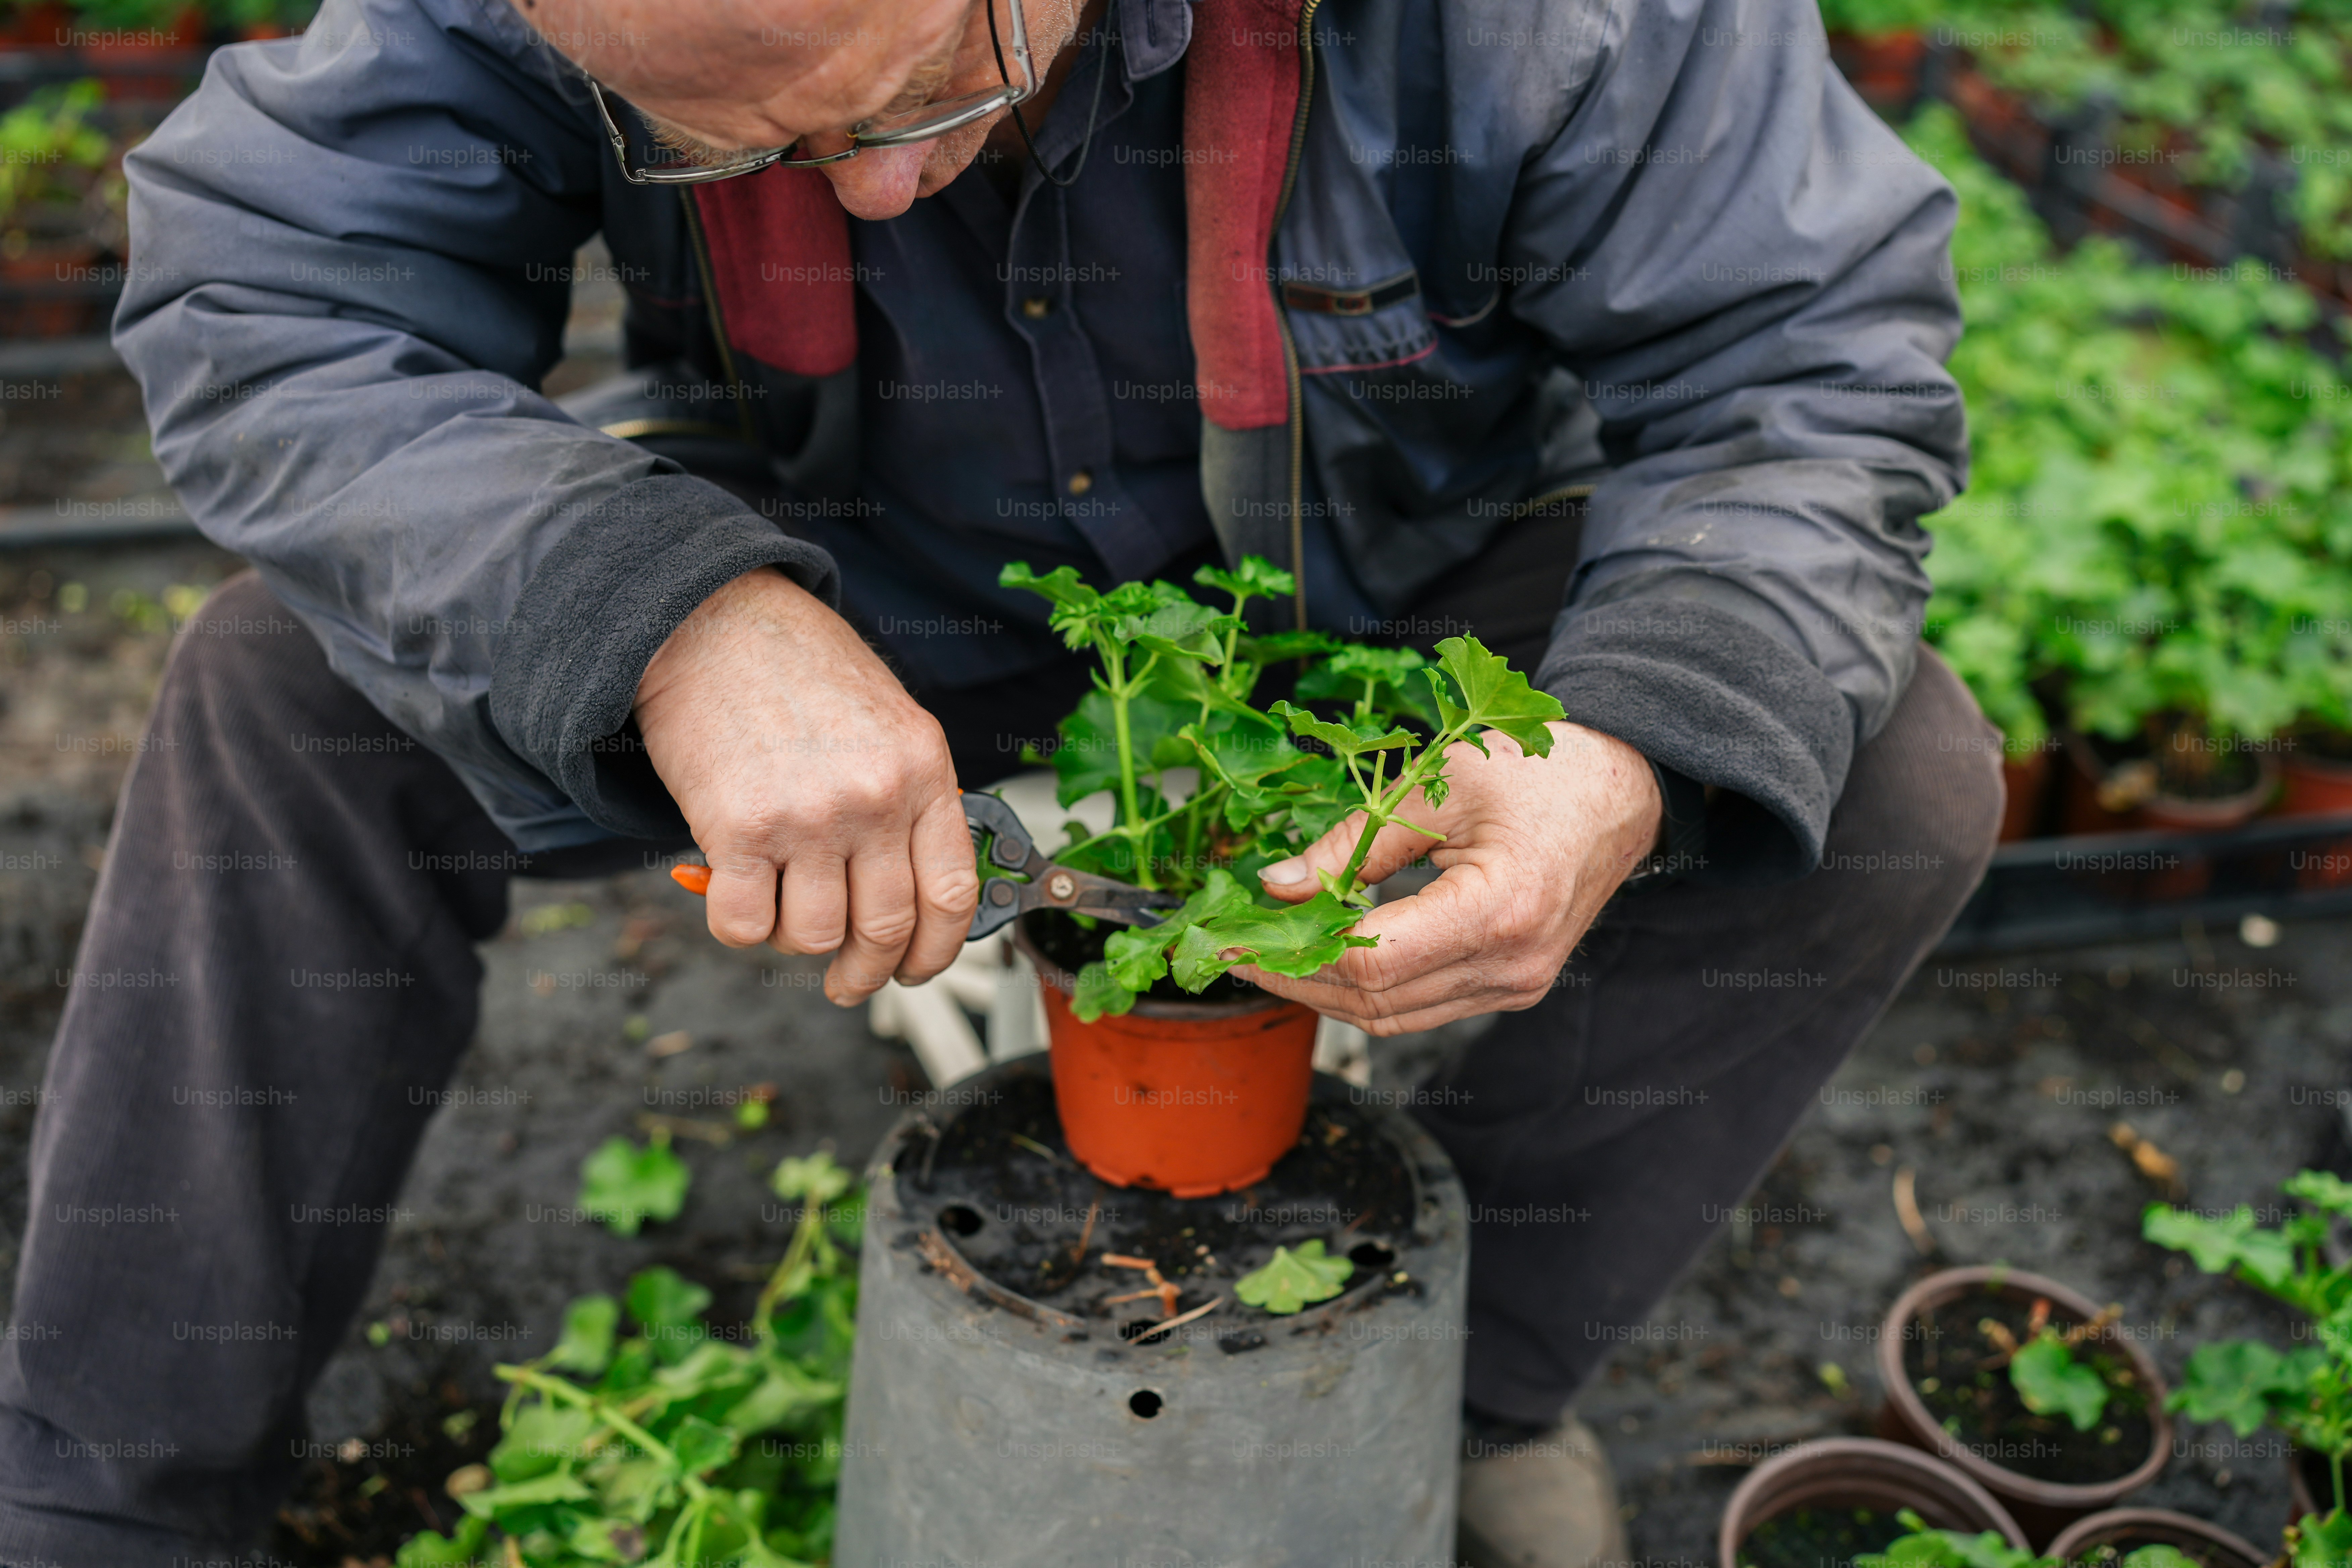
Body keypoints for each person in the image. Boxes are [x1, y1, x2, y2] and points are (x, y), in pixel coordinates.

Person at [0, 0, 2005, 1560]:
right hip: (865, 579)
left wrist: (1629, 748)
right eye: (744, 148)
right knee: (285, 695)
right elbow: (262, 296)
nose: (870, 199)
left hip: (1376, 599)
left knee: (1886, 762)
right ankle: (110, 1498)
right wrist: (669, 618)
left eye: (918, 103)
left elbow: (1804, 365)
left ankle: (1452, 1395)